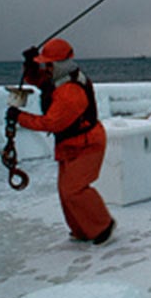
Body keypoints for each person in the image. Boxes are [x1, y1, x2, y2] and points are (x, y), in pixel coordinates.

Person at [7, 38, 115, 245]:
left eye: (47, 63)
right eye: (43, 63)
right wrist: (30, 65)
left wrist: (18, 117)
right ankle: (83, 230)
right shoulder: (59, 77)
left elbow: (51, 123)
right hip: (70, 144)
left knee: (74, 189)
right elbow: (36, 80)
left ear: (58, 64)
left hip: (88, 145)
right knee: (66, 191)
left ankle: (103, 226)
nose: (45, 68)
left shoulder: (70, 92)